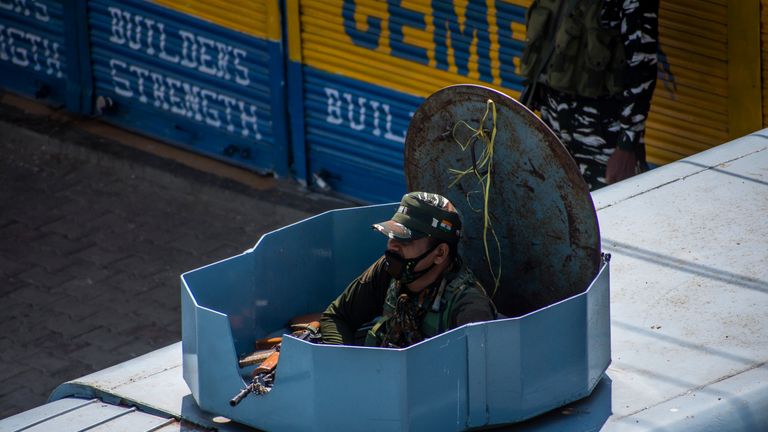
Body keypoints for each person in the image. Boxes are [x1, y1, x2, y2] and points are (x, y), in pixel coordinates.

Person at [320, 192, 496, 348]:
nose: (392, 247)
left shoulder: (469, 307)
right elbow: (337, 316)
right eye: (391, 236)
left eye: (405, 240)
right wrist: (343, 366)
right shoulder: (389, 269)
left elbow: (477, 373)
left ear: (440, 253)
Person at [521, 0, 660, 190]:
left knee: (612, 212)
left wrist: (626, 146)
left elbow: (642, 65)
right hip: (552, 122)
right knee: (556, 209)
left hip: (604, 136)